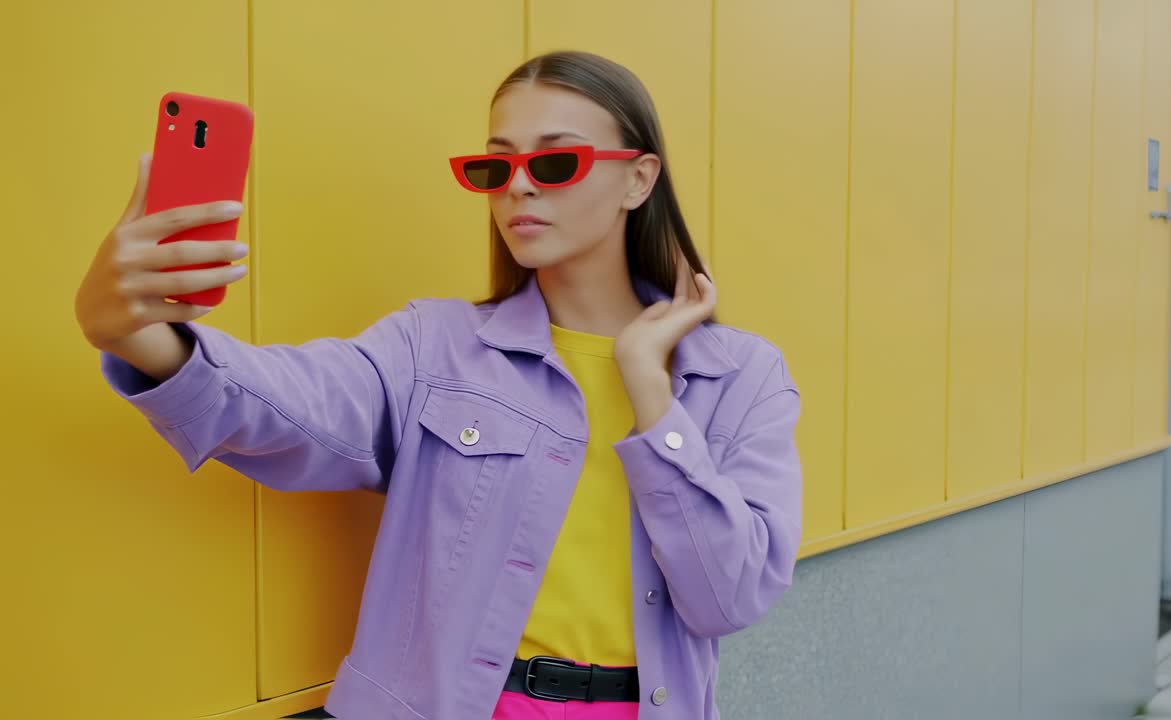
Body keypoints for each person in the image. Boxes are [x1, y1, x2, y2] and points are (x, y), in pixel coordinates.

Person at [75, 50, 803, 720]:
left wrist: (648, 387)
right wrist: (130, 332)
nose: (517, 187)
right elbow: (283, 405)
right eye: (495, 167)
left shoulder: (741, 378)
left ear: (638, 179)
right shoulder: (435, 347)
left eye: (555, 164)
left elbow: (729, 597)